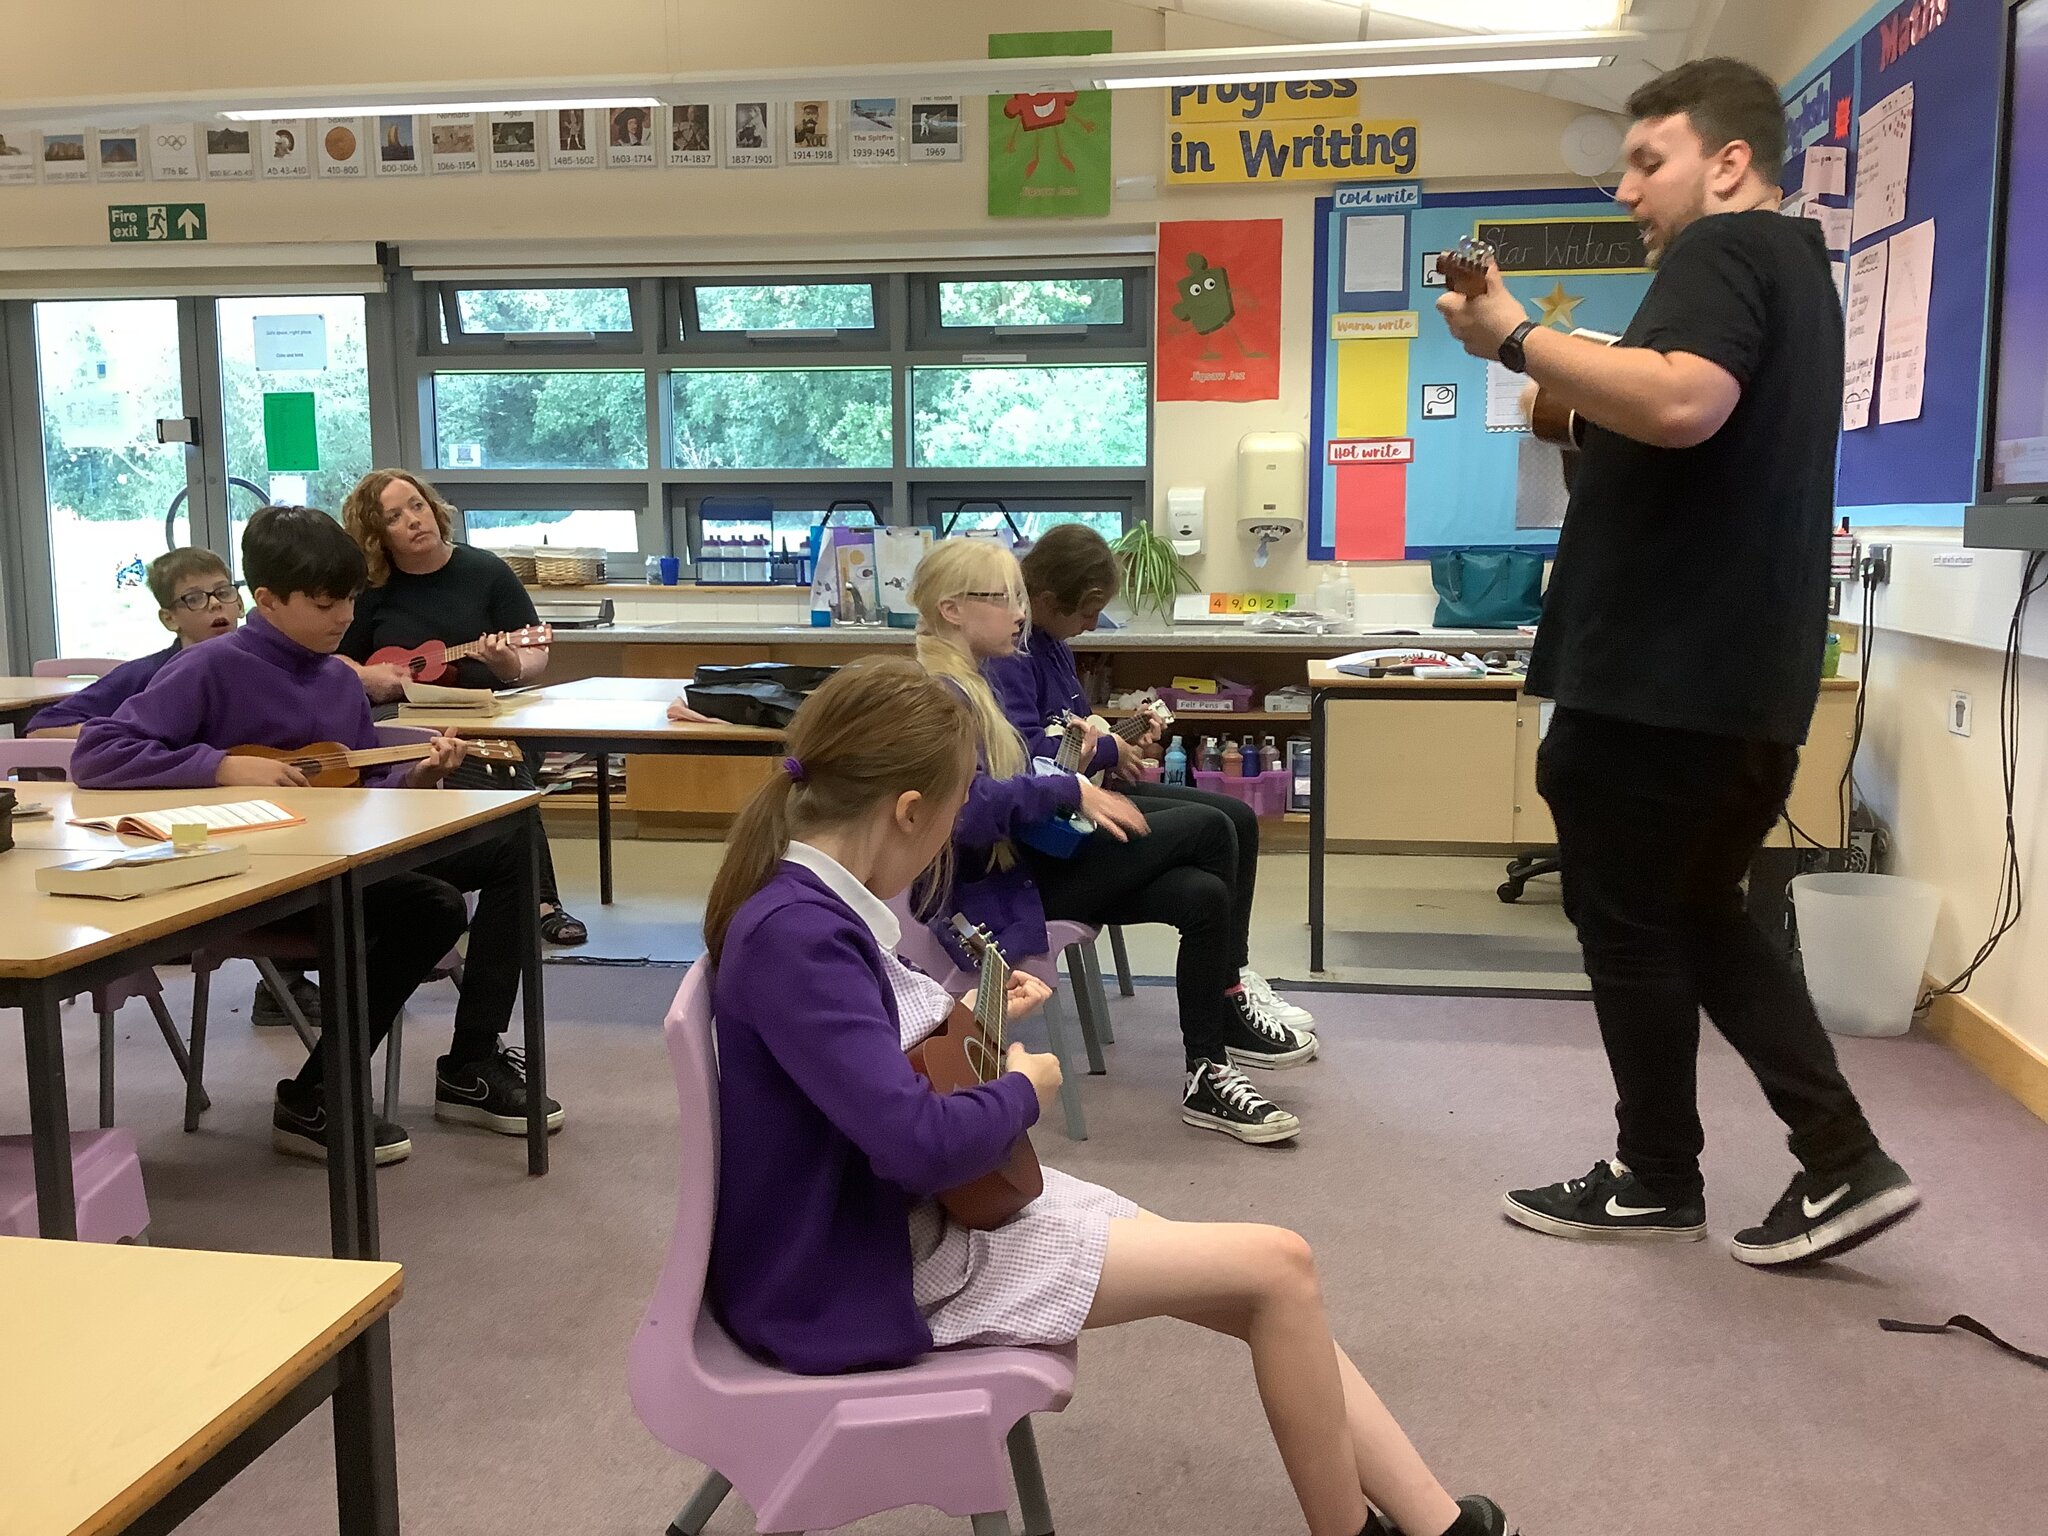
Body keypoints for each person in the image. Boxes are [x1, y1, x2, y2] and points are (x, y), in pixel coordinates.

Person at [704, 656, 1512, 1536]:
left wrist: (974, 1019)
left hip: (888, 1229)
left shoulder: (809, 911)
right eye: (956, 806)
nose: (954, 836)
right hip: (867, 1269)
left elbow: (866, 1078)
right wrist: (1022, 1087)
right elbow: (914, 1142)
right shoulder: (803, 936)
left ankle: (1433, 1522)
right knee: (1280, 1269)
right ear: (908, 811)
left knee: (1268, 1277)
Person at [1434, 56, 1917, 1267]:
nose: (1626, 189)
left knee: (1628, 921)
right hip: (1737, 677)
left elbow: (1685, 404)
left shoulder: (1721, 251)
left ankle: (1655, 1178)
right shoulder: (1798, 273)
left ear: (1728, 160)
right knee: (1698, 911)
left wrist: (1515, 337)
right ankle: (1839, 1156)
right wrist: (1572, 394)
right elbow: (1679, 427)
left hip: (1655, 674)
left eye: (1648, 162)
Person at [72, 506, 563, 1165]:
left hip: (332, 861)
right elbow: (96, 754)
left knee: (511, 844)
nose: (342, 619)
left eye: (351, 601)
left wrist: (413, 781)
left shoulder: (337, 678)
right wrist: (218, 765)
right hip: (246, 877)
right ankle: (317, 1095)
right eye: (326, 603)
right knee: (432, 908)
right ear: (268, 600)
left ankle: (471, 1062)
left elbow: (353, 795)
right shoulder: (209, 669)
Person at [911, 538, 1316, 1148]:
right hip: (1011, 886)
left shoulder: (975, 677)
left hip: (1036, 858)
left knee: (1203, 893)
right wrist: (1075, 782)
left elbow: (1030, 761)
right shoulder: (942, 695)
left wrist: (1080, 764)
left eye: (1021, 599)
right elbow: (970, 810)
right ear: (952, 610)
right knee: (1213, 828)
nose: (1020, 614)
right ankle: (1228, 1003)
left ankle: (1207, 1071)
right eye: (1005, 599)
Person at [989, 523, 1317, 1037]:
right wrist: (1106, 747)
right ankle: (1225, 991)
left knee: (1238, 817)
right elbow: (1029, 758)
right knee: (1215, 831)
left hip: (1083, 796)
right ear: (1047, 599)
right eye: (1089, 611)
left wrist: (1116, 742)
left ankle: (1234, 974)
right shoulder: (1011, 652)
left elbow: (1070, 731)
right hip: (1052, 829)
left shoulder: (1050, 639)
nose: (1095, 625)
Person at [29, 547, 323, 1029]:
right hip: (175, 829)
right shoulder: (148, 676)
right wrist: (135, 737)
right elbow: (43, 729)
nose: (215, 607)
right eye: (194, 599)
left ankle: (284, 981)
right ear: (169, 617)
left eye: (223, 592)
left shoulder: (270, 670)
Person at [336, 468, 588, 947]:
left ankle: (539, 899)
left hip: (489, 714)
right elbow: (336, 658)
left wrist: (508, 662)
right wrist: (372, 677)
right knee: (414, 762)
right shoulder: (370, 589)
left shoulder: (485, 571)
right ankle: (423, 888)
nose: (413, 520)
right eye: (394, 516)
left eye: (417, 505)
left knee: (503, 766)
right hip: (401, 722)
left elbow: (536, 654)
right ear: (375, 535)